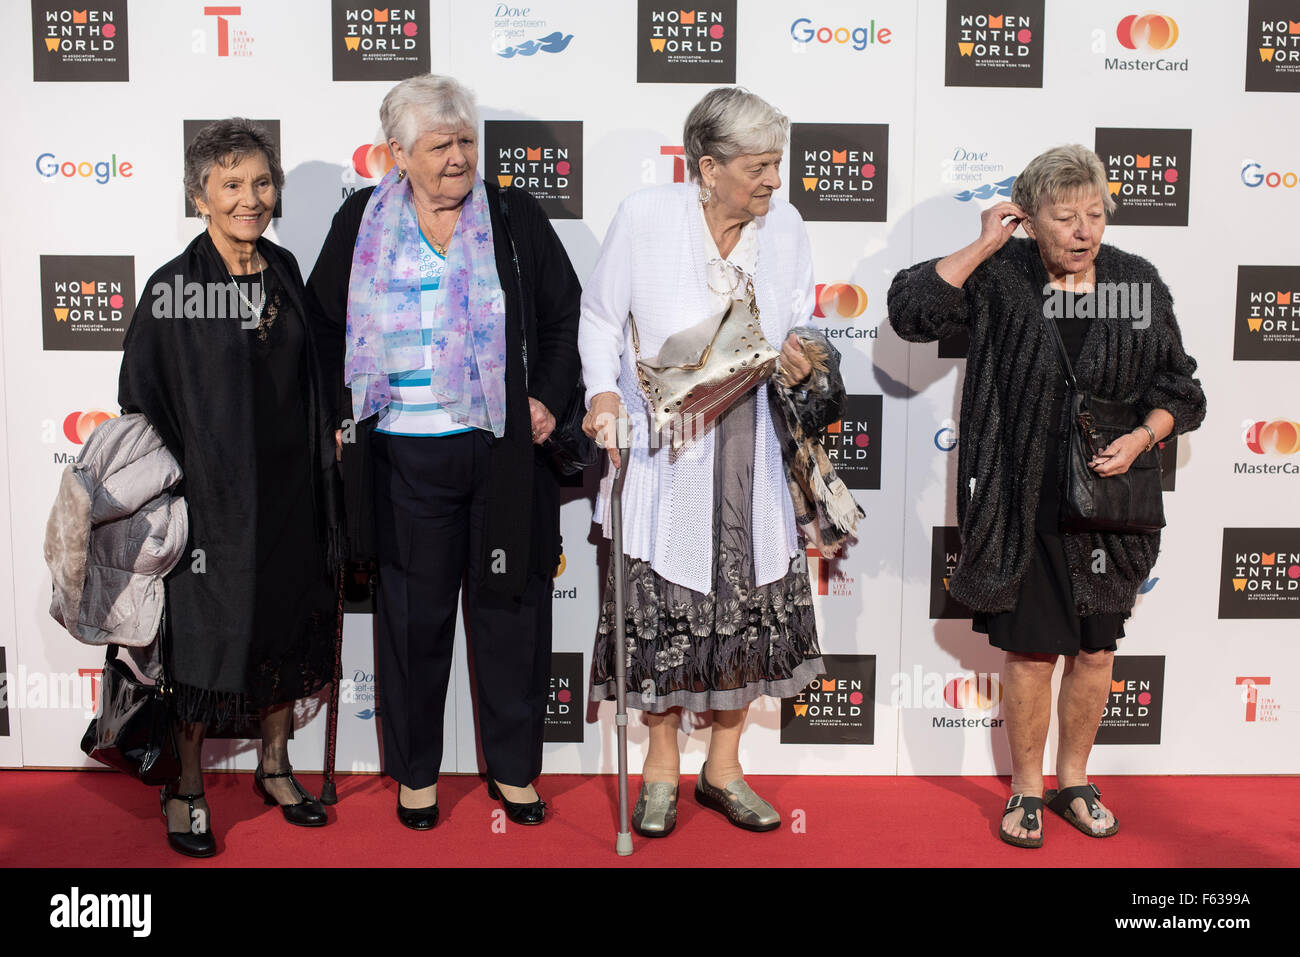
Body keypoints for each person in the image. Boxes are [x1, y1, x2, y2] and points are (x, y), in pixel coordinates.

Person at [887, 144, 1206, 847]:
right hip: (1021, 497)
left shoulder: (1134, 283)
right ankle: (1027, 790)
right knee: (1031, 651)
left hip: (1107, 506)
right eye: (1065, 216)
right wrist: (980, 245)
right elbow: (913, 312)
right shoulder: (1004, 276)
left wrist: (1143, 438)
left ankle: (1075, 781)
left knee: (1095, 651)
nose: (1084, 230)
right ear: (1029, 218)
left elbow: (1182, 389)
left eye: (1095, 214)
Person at [304, 74, 581, 830]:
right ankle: (416, 774)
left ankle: (516, 772)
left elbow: (562, 318)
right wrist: (338, 412)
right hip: (401, 460)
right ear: (397, 154)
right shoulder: (361, 222)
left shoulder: (514, 216)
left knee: (510, 618)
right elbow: (324, 326)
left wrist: (548, 399)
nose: (459, 157)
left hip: (499, 458)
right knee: (410, 623)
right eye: (439, 145)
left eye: (466, 141)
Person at [580, 87, 826, 838]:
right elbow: (598, 316)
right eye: (759, 166)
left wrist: (803, 351)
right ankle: (660, 767)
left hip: (752, 447)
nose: (773, 182)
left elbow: (805, 318)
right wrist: (601, 396)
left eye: (776, 165)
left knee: (745, 609)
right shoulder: (646, 218)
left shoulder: (783, 227)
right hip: (663, 451)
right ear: (709, 167)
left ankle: (722, 766)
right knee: (662, 611)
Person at [119, 118, 342, 857]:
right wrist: (179, 491)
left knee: (281, 626)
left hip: (288, 497)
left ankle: (274, 767)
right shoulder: (176, 289)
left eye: (261, 182)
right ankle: (185, 787)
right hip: (209, 506)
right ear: (200, 195)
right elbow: (141, 398)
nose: (251, 198)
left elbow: (313, 375)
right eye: (232, 185)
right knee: (200, 649)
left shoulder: (281, 267)